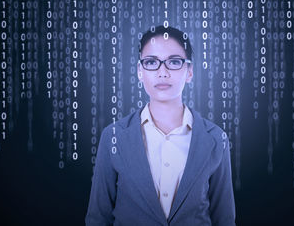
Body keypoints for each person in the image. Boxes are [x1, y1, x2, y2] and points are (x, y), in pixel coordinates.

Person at [85, 25, 236, 226]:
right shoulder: (113, 136)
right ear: (140, 71)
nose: (162, 72)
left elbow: (224, 219)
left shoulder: (216, 139)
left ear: (189, 71)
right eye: (151, 62)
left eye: (174, 62)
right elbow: (98, 218)